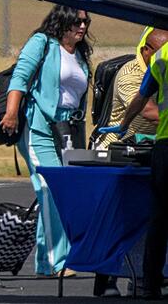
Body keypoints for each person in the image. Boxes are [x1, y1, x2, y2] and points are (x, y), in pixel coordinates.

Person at [0, 5, 92, 277]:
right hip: (39, 127)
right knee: (50, 189)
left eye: (86, 21)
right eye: (77, 21)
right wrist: (12, 113)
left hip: (68, 131)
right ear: (62, 20)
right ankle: (57, 261)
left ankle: (45, 260)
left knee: (62, 191)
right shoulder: (42, 43)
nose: (83, 26)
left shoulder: (81, 54)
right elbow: (20, 78)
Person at [100, 41, 168, 300]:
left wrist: (123, 124)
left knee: (159, 217)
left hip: (164, 143)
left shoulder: (162, 56)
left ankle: (149, 283)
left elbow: (143, 95)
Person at [95, 29, 168, 149]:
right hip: (117, 147)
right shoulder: (130, 75)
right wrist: (124, 125)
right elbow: (149, 112)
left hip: (148, 145)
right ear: (145, 50)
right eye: (159, 53)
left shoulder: (161, 68)